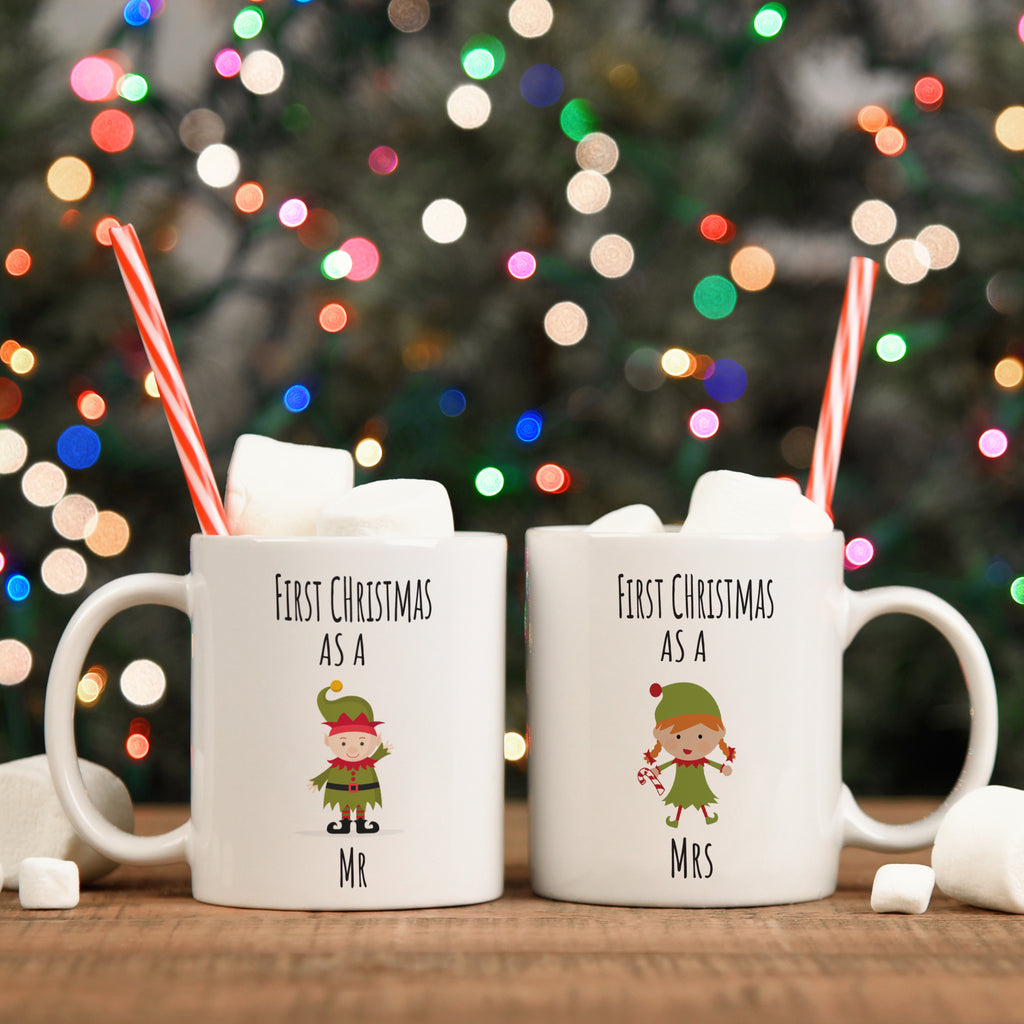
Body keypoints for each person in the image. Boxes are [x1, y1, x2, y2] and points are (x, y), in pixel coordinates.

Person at [643, 681, 735, 827]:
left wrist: (723, 768)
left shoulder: (699, 760)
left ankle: (707, 817)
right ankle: (677, 820)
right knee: (680, 799)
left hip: (698, 782)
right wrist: (657, 770)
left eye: (700, 736)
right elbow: (668, 764)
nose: (688, 746)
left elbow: (712, 763)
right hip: (682, 782)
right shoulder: (679, 760)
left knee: (701, 798)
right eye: (677, 737)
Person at [309, 680, 392, 834]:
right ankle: (345, 824)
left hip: (363, 789)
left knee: (360, 804)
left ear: (376, 741)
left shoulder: (366, 763)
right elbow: (328, 772)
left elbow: (373, 760)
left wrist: (382, 752)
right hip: (342, 790)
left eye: (362, 743)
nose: (353, 749)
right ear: (328, 741)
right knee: (345, 805)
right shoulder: (338, 766)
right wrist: (318, 780)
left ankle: (361, 823)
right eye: (343, 743)